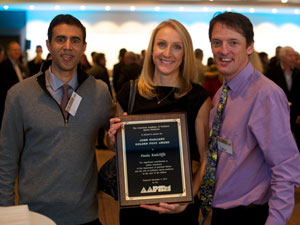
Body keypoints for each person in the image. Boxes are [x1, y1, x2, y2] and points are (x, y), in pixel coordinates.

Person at [0, 14, 115, 225]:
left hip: (85, 216)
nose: (68, 46)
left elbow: (114, 139)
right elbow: (6, 157)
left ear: (83, 47)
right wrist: (5, 212)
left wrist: (115, 139)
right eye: (60, 39)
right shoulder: (19, 95)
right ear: (48, 45)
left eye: (75, 40)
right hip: (35, 216)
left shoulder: (99, 92)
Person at [201, 12, 300, 225]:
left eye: (233, 42)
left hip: (249, 215)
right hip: (221, 211)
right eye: (217, 42)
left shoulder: (266, 95)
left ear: (249, 47)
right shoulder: (222, 94)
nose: (223, 50)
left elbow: (285, 167)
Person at [108, 19, 211, 225]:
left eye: (177, 47)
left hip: (178, 208)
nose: (167, 53)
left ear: (185, 54)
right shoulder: (129, 92)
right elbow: (115, 147)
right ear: (152, 49)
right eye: (162, 44)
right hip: (136, 207)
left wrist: (187, 197)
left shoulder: (198, 97)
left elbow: (206, 156)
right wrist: (112, 138)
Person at [266, 46, 300, 149]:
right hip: (278, 112)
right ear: (283, 57)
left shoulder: (298, 72)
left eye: (294, 55)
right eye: (291, 55)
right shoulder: (272, 72)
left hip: (295, 113)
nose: (294, 58)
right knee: (280, 142)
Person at [0, 41, 26, 128]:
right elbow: (5, 83)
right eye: (14, 50)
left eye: (18, 50)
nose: (17, 52)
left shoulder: (19, 64)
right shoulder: (4, 65)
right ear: (8, 52)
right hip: (8, 101)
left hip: (19, 100)